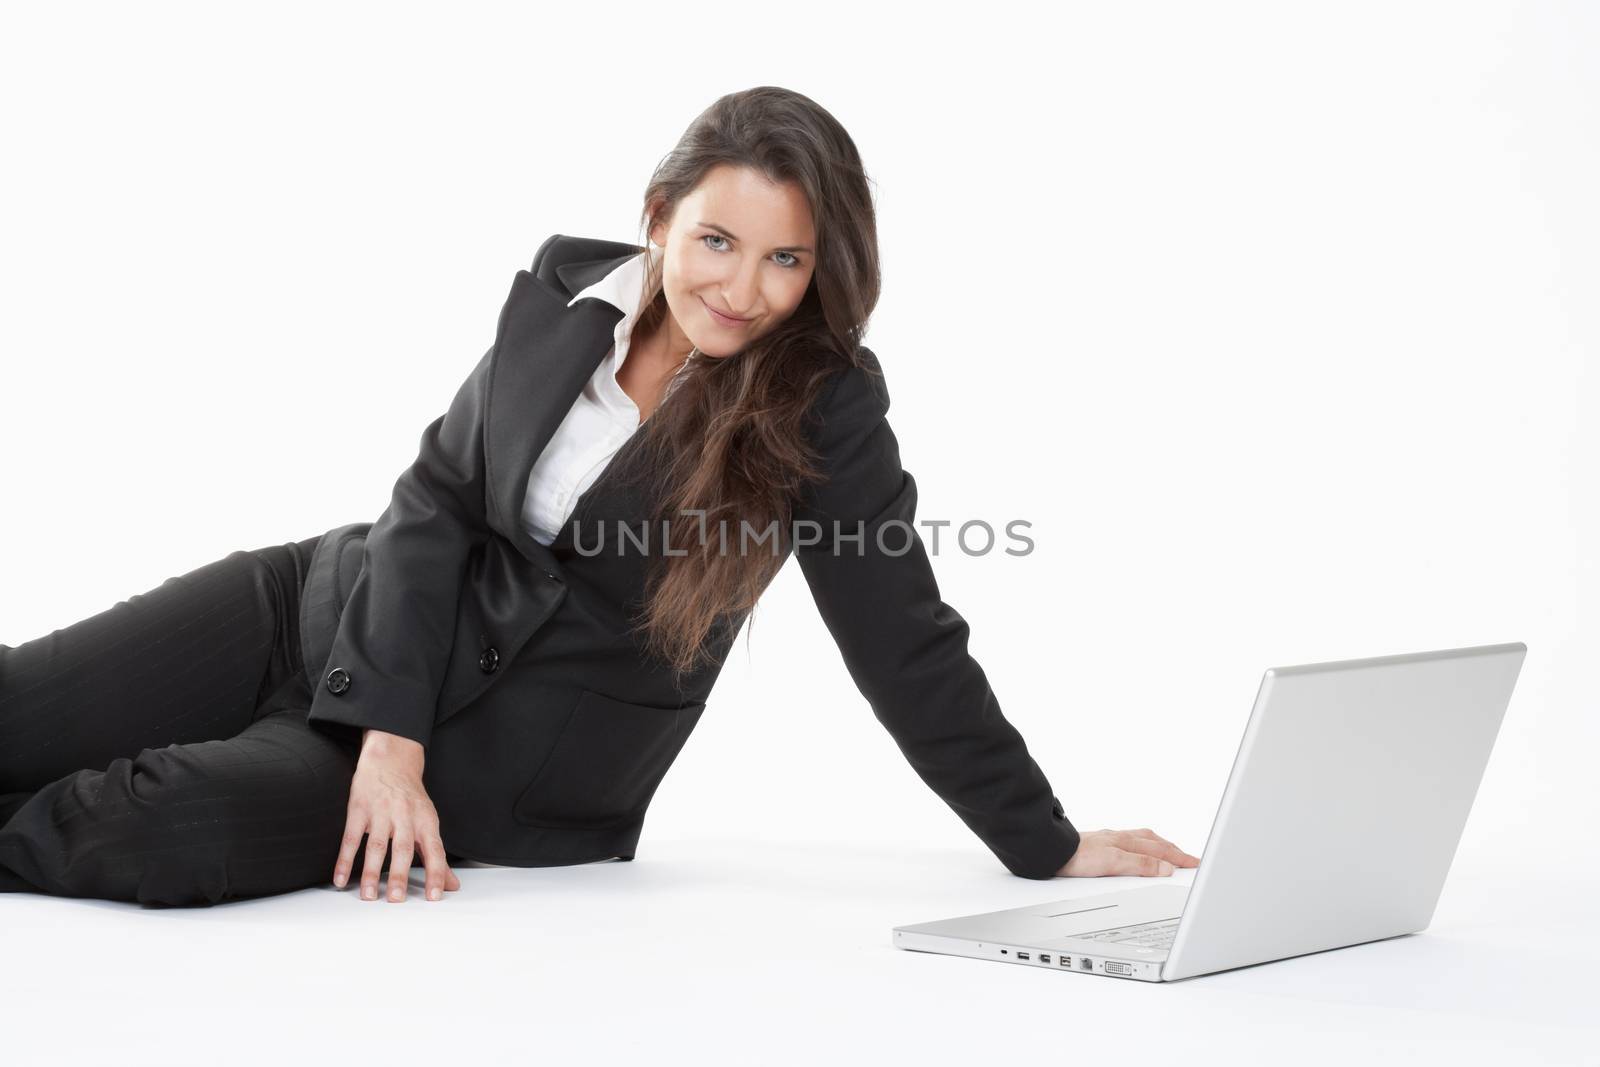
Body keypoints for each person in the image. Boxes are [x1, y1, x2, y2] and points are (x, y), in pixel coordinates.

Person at [0, 86, 1199, 907]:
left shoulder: (820, 405)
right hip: (326, 609)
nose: (744, 289)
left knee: (144, 829)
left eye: (787, 259)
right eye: (718, 241)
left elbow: (904, 637)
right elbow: (436, 494)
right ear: (660, 215)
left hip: (485, 756)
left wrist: (1041, 840)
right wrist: (388, 728)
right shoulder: (571, 294)